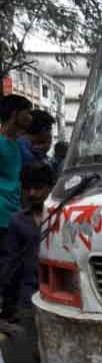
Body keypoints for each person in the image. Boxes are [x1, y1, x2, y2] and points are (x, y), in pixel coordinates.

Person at [0, 163, 67, 363]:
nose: (33, 193)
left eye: (38, 187)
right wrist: (6, 298)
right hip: (31, 295)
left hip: (62, 295)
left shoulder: (65, 215)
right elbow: (11, 262)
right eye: (28, 188)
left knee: (60, 350)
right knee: (39, 353)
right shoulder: (18, 221)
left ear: (51, 187)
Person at [0, 96, 33, 260]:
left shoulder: (19, 144)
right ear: (14, 114)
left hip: (16, 216)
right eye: (27, 113)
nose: (30, 118)